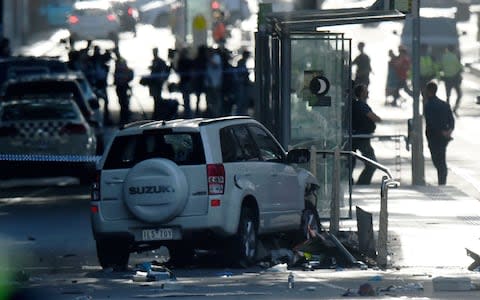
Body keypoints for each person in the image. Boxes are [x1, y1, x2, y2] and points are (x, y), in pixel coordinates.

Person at [423, 81, 455, 185]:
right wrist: (448, 131)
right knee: (441, 158)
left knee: (437, 160)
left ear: (428, 91)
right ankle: (442, 181)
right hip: (443, 136)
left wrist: (442, 132)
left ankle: (442, 182)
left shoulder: (428, 106)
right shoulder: (444, 104)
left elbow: (431, 122)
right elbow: (451, 120)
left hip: (434, 136)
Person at [351, 84, 382, 185]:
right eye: (365, 91)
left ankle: (360, 182)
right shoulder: (361, 105)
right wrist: (378, 119)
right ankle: (362, 183)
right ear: (361, 93)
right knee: (372, 163)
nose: (368, 92)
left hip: (360, 137)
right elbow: (373, 117)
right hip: (361, 138)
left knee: (352, 161)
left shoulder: (359, 105)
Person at [440, 45, 463, 114]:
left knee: (448, 95)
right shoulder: (454, 57)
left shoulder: (444, 57)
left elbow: (440, 67)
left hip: (447, 79)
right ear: (453, 50)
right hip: (455, 78)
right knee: (459, 94)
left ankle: (447, 108)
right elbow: (460, 68)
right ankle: (455, 108)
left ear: (447, 49)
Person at [148, 47, 170, 120]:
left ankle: (157, 114)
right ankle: (157, 114)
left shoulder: (159, 62)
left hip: (156, 84)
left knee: (157, 99)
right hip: (155, 83)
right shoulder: (156, 61)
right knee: (156, 99)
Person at [113, 51, 134, 126]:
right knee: (122, 103)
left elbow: (127, 75)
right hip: (120, 86)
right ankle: (124, 118)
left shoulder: (120, 62)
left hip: (123, 86)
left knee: (124, 103)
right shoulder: (118, 63)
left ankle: (125, 118)